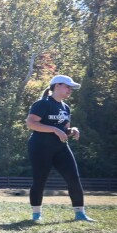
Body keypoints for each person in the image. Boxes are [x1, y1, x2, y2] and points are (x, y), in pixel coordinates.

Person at [25, 74, 94, 222]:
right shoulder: (42, 103)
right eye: (67, 87)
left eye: (71, 88)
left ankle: (80, 213)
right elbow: (31, 124)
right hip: (40, 147)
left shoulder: (66, 107)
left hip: (60, 147)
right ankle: (36, 214)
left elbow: (64, 130)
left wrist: (72, 130)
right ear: (57, 86)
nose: (70, 90)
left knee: (73, 178)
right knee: (40, 180)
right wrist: (54, 130)